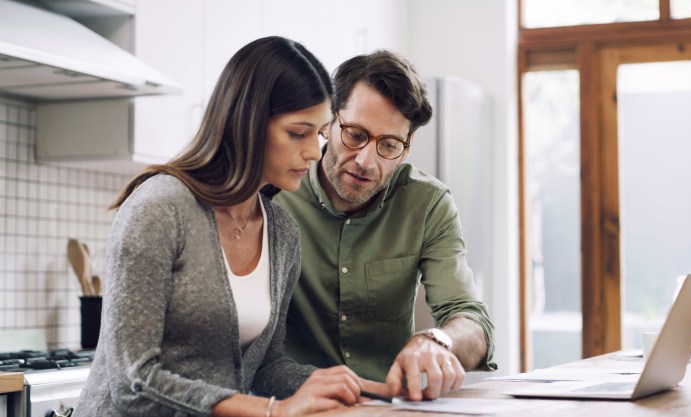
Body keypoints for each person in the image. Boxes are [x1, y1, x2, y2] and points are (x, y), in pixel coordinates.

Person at [74, 36, 368, 417]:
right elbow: (133, 381)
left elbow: (265, 368)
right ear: (247, 123)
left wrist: (363, 389)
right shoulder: (160, 210)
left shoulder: (281, 232)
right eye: (298, 133)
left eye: (319, 134)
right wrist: (274, 412)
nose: (314, 152)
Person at [273, 50, 497, 402]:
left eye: (389, 145)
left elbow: (471, 320)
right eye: (355, 135)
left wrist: (437, 341)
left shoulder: (428, 204)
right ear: (327, 122)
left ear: (407, 149)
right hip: (292, 403)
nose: (366, 161)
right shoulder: (275, 193)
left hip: (387, 405)